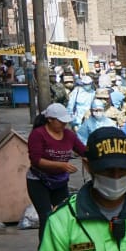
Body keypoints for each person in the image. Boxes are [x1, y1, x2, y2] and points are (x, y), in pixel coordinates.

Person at [26, 103, 86, 242]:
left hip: (59, 182)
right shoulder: (38, 134)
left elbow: (83, 150)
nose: (64, 124)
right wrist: (61, 165)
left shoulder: (69, 135)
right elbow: (36, 160)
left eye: (65, 122)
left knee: (64, 214)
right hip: (38, 181)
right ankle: (44, 250)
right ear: (50, 120)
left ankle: (61, 246)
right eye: (60, 121)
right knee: (46, 216)